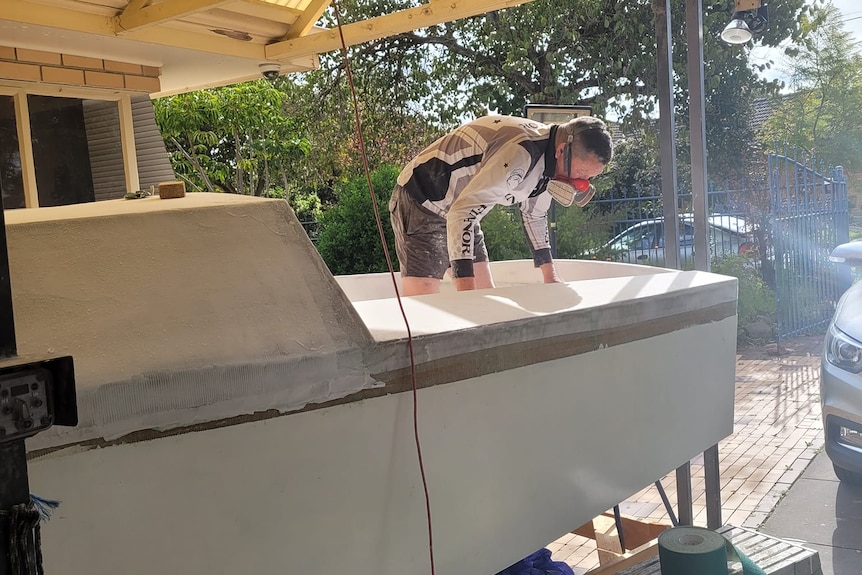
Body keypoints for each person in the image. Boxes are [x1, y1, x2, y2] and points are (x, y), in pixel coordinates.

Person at [389, 114, 614, 296]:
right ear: (562, 150)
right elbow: (463, 213)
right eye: (581, 174)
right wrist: (466, 294)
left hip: (464, 207)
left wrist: (550, 276)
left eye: (588, 178)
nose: (579, 184)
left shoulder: (551, 165)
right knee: (425, 297)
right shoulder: (520, 153)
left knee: (485, 294)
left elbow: (534, 215)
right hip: (423, 196)